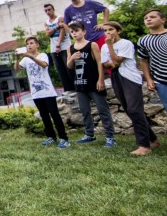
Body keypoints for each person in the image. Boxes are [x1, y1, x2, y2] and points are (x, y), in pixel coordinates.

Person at [101, 21, 160, 155]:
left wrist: (110, 47)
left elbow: (116, 61)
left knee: (134, 109)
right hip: (116, 77)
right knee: (129, 110)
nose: (108, 33)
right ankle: (153, 140)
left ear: (118, 31)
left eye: (111, 29)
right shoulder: (104, 46)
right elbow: (105, 64)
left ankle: (144, 146)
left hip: (130, 77)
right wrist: (111, 60)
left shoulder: (125, 44)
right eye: (106, 30)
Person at [15, 36, 70, 148]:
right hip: (36, 93)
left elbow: (44, 65)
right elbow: (17, 68)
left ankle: (64, 138)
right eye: (27, 44)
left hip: (48, 92)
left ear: (37, 45)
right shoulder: (25, 59)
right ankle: (51, 137)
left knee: (55, 115)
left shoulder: (43, 55)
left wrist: (31, 57)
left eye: (31, 43)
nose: (29, 45)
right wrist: (16, 58)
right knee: (44, 116)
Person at [67, 22, 115, 147]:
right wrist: (72, 58)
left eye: (76, 30)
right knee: (84, 110)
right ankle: (89, 134)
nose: (74, 33)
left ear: (84, 32)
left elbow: (99, 62)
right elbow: (69, 66)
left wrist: (101, 79)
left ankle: (110, 136)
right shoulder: (70, 48)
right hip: (79, 84)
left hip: (93, 82)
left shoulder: (92, 45)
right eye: (72, 32)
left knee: (102, 109)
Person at [137, 9, 167, 109]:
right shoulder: (143, 40)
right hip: (161, 81)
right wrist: (149, 79)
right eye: (146, 18)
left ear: (163, 20)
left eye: (152, 17)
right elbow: (143, 61)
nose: (148, 19)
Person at [43, 3, 75, 94]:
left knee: (68, 66)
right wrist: (57, 26)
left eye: (49, 9)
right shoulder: (47, 22)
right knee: (60, 69)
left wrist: (58, 44)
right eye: (46, 10)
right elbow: (48, 34)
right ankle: (67, 89)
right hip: (53, 48)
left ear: (53, 9)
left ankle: (75, 86)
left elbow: (62, 31)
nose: (48, 12)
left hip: (64, 46)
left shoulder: (60, 18)